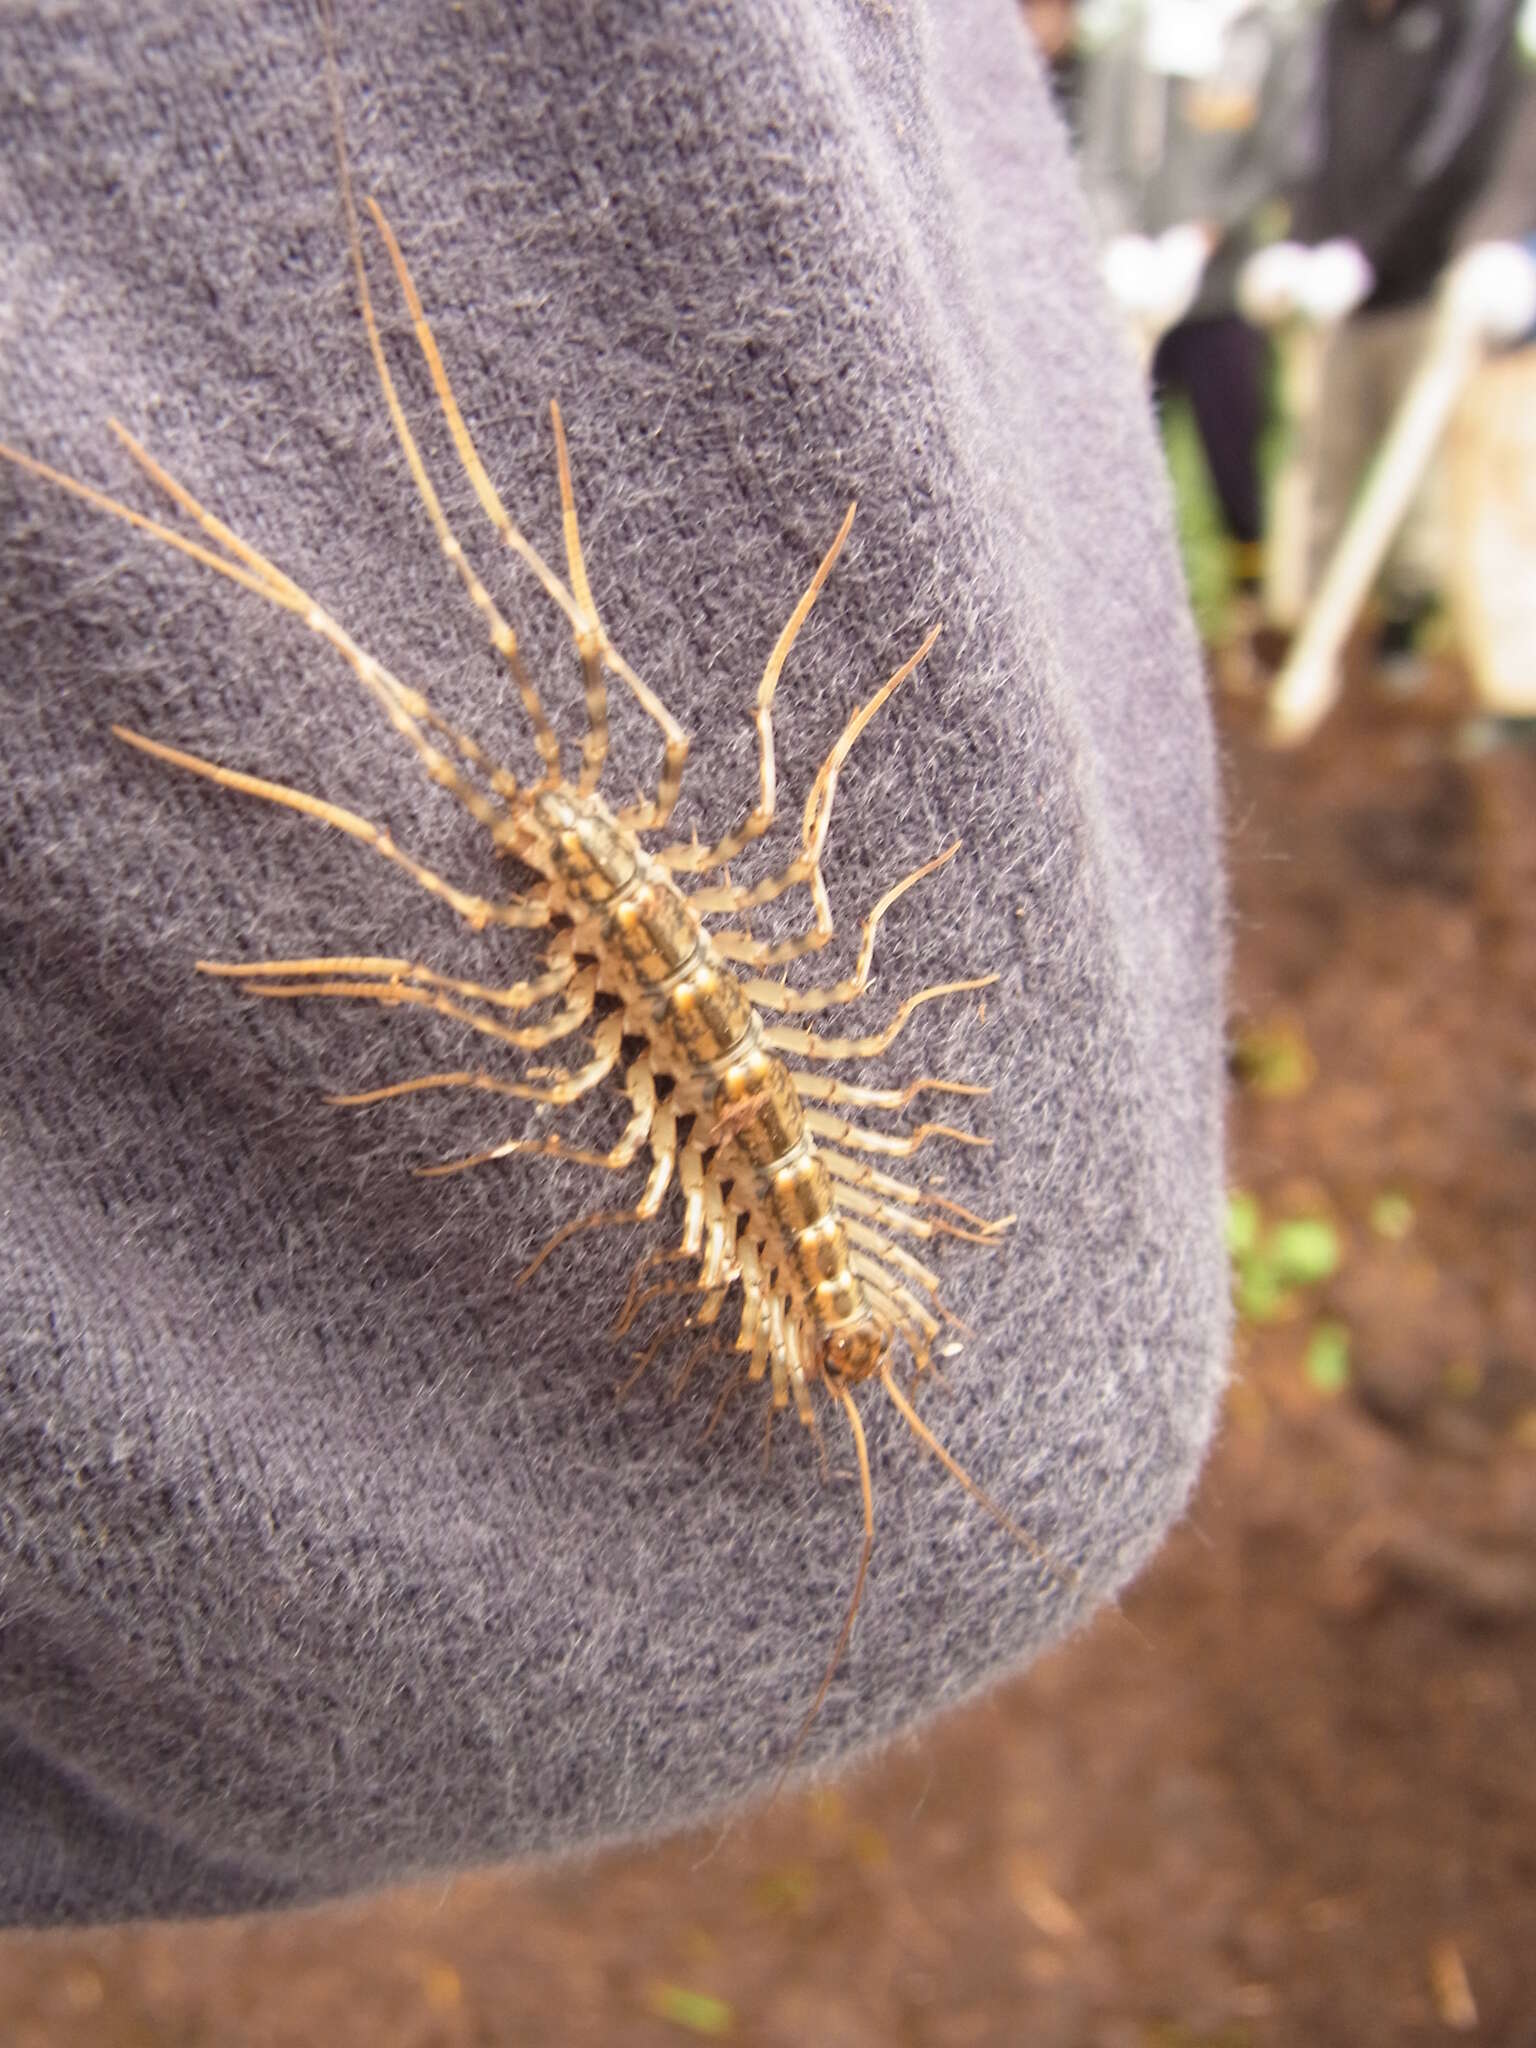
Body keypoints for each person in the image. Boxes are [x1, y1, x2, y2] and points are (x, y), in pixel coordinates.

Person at [0, 0, 1228, 1924]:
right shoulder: (793, 1274)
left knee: (431, 701)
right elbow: (827, 1001)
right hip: (646, 927)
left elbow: (794, 1075)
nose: (842, 1347)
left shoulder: (852, 1244)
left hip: (648, 951)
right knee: (499, 616)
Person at [1289, 0, 1524, 658]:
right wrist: (1309, 240)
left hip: (1420, 283)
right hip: (1346, 294)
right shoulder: (1337, 24)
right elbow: (1314, 138)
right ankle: (1318, 625)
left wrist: (1374, 246)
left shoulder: (1459, 21)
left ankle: (1406, 627)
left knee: (1417, 486)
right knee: (1327, 456)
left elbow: (1448, 147)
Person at [1079, 0, 1320, 630]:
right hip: (1135, 299)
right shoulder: (1130, 41)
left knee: (1232, 453)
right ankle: (1132, 610)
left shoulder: (1264, 38)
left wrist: (1203, 235)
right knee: (1129, 459)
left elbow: (1272, 161)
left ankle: (1249, 612)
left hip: (1218, 295)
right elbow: (1100, 158)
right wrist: (1120, 240)